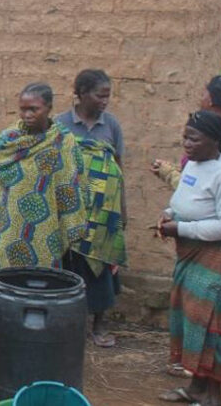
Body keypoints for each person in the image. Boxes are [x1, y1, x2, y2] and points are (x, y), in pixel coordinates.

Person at [157, 111, 221, 406]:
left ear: (214, 140)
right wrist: (170, 215)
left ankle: (212, 397)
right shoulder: (196, 164)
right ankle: (196, 388)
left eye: (193, 138)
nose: (186, 143)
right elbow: (186, 200)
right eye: (185, 136)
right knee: (192, 321)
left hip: (215, 261)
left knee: (210, 325)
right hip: (191, 256)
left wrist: (181, 228)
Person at [0, 82, 88, 279]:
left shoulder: (63, 140)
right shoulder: (8, 140)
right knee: (4, 278)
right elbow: (0, 179)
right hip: (7, 223)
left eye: (34, 109)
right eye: (23, 109)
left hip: (46, 227)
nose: (27, 115)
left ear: (49, 108)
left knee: (39, 280)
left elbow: (73, 180)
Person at [55, 69, 127, 348]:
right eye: (100, 95)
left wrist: (122, 211)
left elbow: (118, 170)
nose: (105, 101)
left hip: (104, 214)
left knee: (102, 269)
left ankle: (99, 326)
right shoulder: (61, 125)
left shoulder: (111, 126)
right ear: (82, 93)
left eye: (108, 95)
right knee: (70, 265)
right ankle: (69, 326)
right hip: (71, 211)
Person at [152, 75, 221, 188]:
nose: (200, 99)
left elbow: (203, 189)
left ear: (210, 100)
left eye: (203, 95)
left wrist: (170, 174)